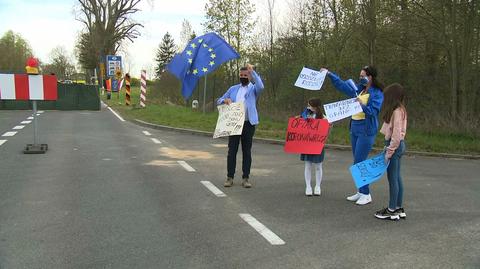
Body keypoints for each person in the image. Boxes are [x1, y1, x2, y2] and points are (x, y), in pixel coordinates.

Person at [322, 66, 384, 205]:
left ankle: (366, 194)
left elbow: (373, 112)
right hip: (355, 127)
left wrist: (361, 104)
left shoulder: (377, 93)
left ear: (370, 77)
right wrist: (330, 74)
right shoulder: (359, 89)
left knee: (360, 162)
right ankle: (360, 191)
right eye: (360, 75)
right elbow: (343, 85)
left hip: (366, 129)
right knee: (356, 161)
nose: (360, 78)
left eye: (363, 76)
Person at [217, 64, 264, 188]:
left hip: (248, 123)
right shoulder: (233, 89)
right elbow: (219, 100)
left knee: (246, 151)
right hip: (234, 124)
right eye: (241, 75)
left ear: (249, 76)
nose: (243, 77)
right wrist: (224, 101)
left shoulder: (253, 89)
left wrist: (252, 71)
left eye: (245, 75)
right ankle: (230, 177)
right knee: (232, 151)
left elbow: (261, 86)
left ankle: (245, 178)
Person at [374, 83, 407, 220]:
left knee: (392, 178)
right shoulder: (401, 110)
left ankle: (392, 209)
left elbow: (396, 135)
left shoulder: (396, 112)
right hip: (398, 146)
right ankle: (398, 207)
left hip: (395, 146)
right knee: (397, 177)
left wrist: (389, 152)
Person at [299, 98, 326, 196]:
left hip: (318, 144)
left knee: (318, 166)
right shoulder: (305, 115)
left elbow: (326, 132)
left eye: (310, 105)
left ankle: (318, 186)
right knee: (308, 165)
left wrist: (329, 126)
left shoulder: (323, 118)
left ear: (315, 107)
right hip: (307, 144)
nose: (308, 107)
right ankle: (308, 186)